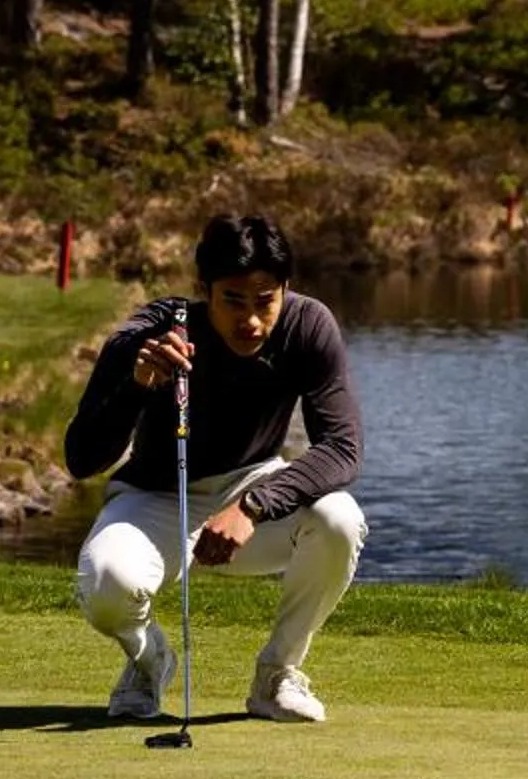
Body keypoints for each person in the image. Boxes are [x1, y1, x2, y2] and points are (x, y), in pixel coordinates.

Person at [62, 212, 367, 724]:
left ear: (285, 290)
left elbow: (343, 447)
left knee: (339, 520)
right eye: (233, 301)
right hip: (156, 496)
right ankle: (149, 661)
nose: (250, 320)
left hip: (254, 489)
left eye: (265, 301)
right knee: (109, 584)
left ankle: (277, 676)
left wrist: (253, 504)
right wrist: (136, 387)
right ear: (204, 289)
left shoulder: (308, 324)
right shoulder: (150, 334)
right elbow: (81, 459)